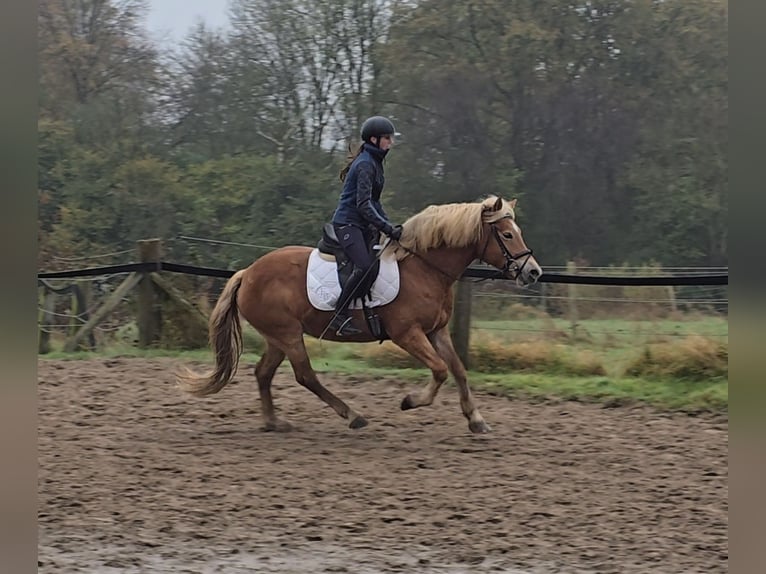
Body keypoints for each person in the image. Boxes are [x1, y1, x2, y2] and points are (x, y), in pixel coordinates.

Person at [327, 115, 403, 336]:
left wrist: (389, 225)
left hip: (361, 224)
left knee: (375, 266)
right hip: (348, 223)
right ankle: (339, 314)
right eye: (387, 138)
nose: (391, 142)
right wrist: (387, 228)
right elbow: (363, 205)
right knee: (365, 266)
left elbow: (375, 203)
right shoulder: (365, 166)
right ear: (374, 139)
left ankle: (362, 312)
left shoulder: (375, 163)